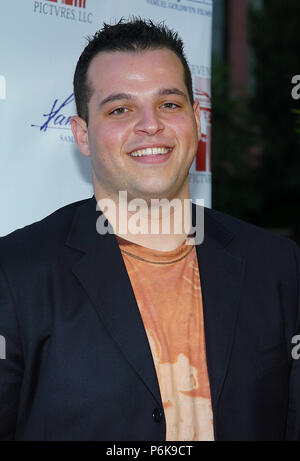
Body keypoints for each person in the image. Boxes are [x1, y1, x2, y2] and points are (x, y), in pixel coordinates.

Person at [0, 18, 299, 442]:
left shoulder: (277, 266)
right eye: (120, 109)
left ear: (198, 120)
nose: (151, 125)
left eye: (170, 104)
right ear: (82, 134)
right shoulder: (15, 274)